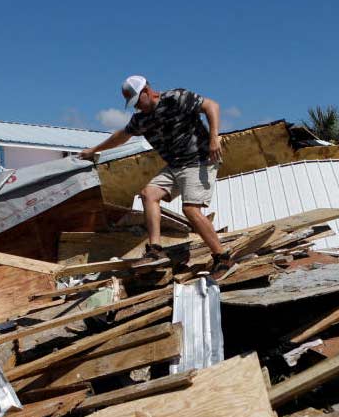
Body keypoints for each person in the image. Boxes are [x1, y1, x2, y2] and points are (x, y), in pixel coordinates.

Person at [79, 75, 233, 276]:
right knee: (148, 194)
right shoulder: (141, 119)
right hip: (175, 165)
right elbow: (122, 135)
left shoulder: (176, 97)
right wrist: (95, 150)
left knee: (190, 210)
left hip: (200, 159)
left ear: (146, 91)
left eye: (137, 102)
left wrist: (214, 137)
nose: (136, 107)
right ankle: (155, 250)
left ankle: (222, 258)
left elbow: (212, 105)